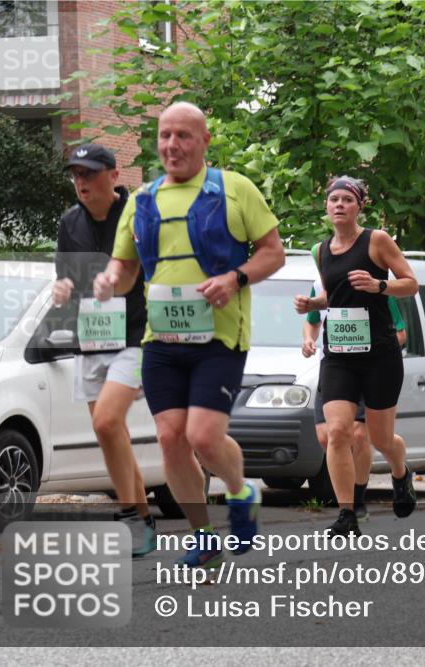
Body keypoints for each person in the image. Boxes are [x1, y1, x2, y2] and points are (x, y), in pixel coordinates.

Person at [94, 102, 285, 568]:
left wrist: (234, 279)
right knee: (170, 439)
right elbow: (124, 268)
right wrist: (108, 282)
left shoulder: (234, 189)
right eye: (164, 135)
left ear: (204, 142)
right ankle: (203, 535)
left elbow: (273, 253)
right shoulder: (141, 200)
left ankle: (241, 493)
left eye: (183, 135)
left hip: (219, 339)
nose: (171, 145)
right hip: (161, 339)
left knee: (202, 437)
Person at [295, 176, 418, 536]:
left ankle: (401, 472)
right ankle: (347, 513)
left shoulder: (377, 241)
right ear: (326, 207)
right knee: (337, 432)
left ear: (359, 206)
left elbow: (411, 282)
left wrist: (380, 285)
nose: (338, 205)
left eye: (347, 199)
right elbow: (336, 297)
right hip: (339, 355)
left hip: (380, 354)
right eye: (333, 199)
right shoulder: (320, 250)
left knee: (381, 440)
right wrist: (312, 304)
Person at [52, 143, 156, 556]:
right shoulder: (69, 223)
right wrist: (62, 289)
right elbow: (66, 278)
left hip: (134, 336)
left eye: (89, 173)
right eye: (76, 175)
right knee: (112, 434)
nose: (81, 182)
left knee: (108, 424)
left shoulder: (137, 215)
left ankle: (130, 514)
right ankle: (144, 521)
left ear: (113, 176)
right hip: (90, 337)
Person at [301, 276, 408, 521]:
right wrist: (308, 339)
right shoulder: (320, 285)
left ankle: (355, 501)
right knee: (328, 437)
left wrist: (375, 347)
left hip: (367, 369)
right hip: (334, 369)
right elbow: (312, 321)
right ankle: (348, 503)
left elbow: (401, 333)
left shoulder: (371, 285)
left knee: (361, 435)